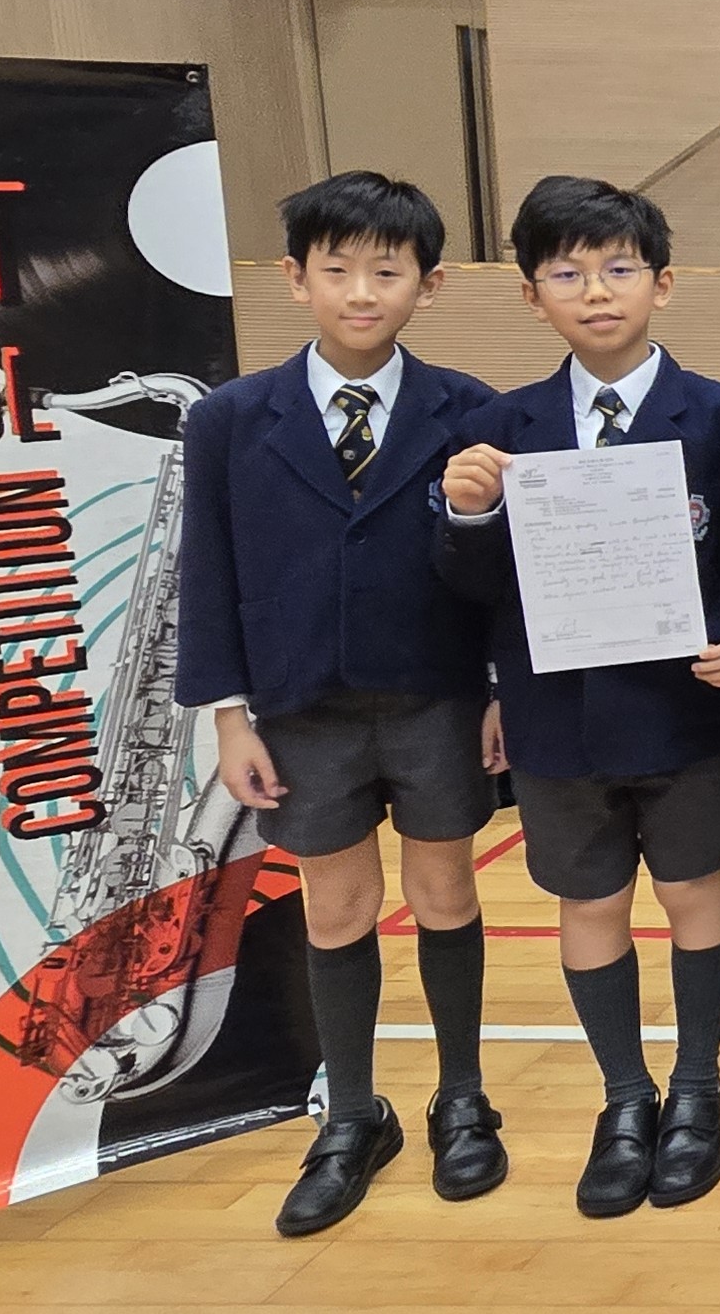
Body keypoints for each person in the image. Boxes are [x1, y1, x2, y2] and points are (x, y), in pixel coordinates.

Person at [175, 170, 506, 1237]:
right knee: (336, 906)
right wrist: (229, 713)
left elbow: (503, 572)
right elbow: (207, 571)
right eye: (338, 269)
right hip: (300, 704)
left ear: (429, 284)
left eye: (388, 271)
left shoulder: (471, 409)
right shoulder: (230, 419)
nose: (362, 291)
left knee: (446, 891)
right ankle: (353, 1112)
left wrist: (498, 687)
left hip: (437, 694)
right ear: (296, 278)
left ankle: (463, 1097)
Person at [437, 176, 720, 1216]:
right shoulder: (500, 427)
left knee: (695, 888)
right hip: (557, 719)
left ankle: (697, 1086)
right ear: (532, 295)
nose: (598, 291)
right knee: (590, 902)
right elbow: (474, 592)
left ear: (664, 283)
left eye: (619, 268)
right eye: (567, 273)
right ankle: (625, 1096)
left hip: (688, 713)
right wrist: (467, 517)